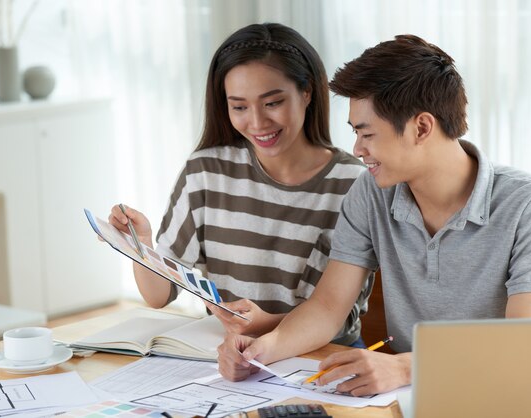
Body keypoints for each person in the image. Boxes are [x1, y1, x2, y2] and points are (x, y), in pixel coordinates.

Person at [216, 34, 531, 395]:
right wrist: (262, 350)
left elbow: (526, 343)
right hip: (405, 393)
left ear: (421, 128)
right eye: (355, 133)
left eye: (367, 134)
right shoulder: (371, 192)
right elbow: (327, 307)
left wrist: (405, 366)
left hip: (498, 390)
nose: (357, 149)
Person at [108, 23, 369, 346]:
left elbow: (340, 317)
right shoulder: (206, 172)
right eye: (239, 107)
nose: (257, 123)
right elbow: (159, 295)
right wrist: (141, 244)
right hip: (230, 357)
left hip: (319, 358)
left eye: (272, 102)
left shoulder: (353, 184)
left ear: (307, 92)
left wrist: (264, 326)